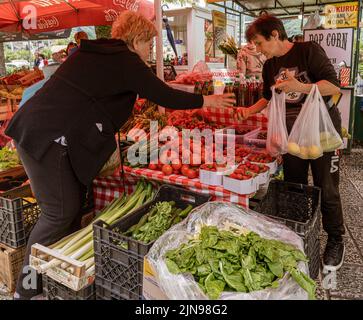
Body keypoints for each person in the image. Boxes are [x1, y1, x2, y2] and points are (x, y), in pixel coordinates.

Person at [6, 11, 235, 300]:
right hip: (46, 140)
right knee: (57, 213)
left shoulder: (97, 54)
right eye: (148, 45)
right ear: (136, 39)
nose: (149, 51)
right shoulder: (124, 58)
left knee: (72, 208)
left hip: (42, 134)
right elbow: (162, 95)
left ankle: (58, 279)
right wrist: (207, 99)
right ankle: (24, 291)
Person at [236, 14, 345, 272]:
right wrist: (249, 111)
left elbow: (333, 86)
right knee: (293, 187)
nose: (259, 50)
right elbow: (268, 97)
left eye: (259, 43)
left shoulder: (308, 51)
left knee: (326, 188)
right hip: (292, 137)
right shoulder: (269, 67)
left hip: (321, 133)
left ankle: (336, 240)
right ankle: (298, 237)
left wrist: (300, 87)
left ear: (275, 34)